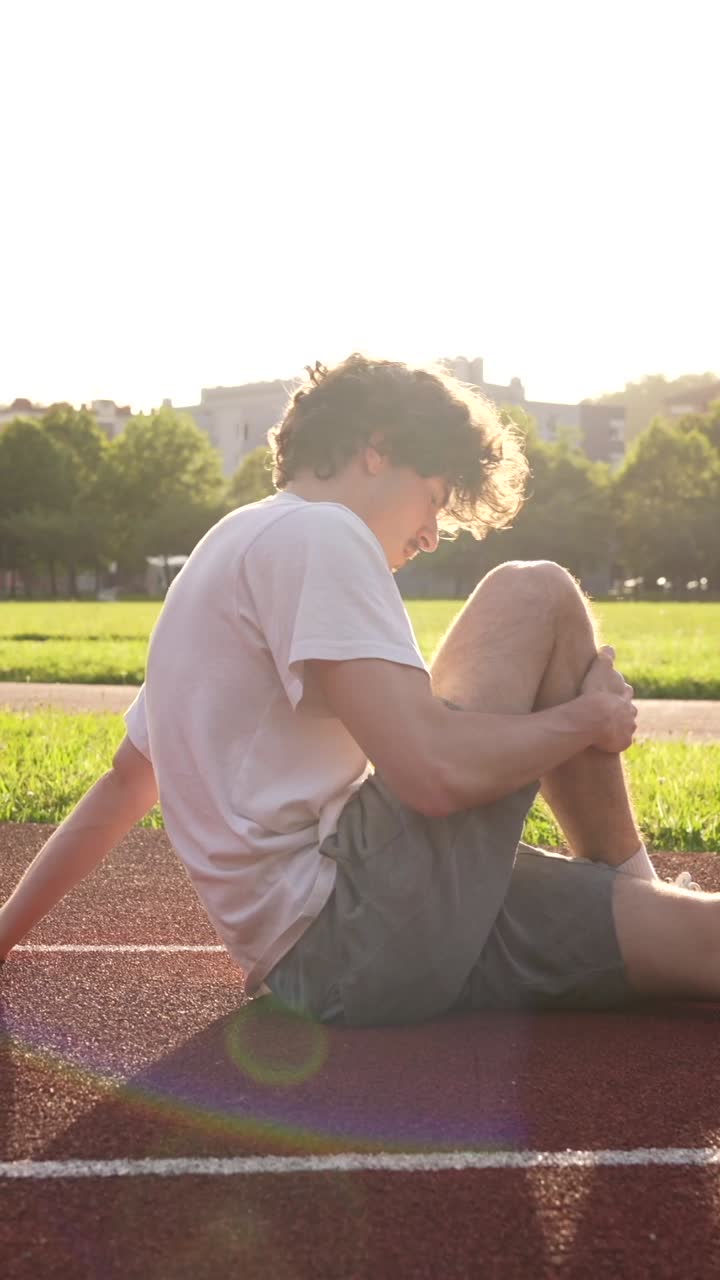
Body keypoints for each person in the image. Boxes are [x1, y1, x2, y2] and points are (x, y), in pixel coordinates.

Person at [0, 355, 713, 1024]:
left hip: (328, 962)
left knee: (695, 938)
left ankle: (633, 890)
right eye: (433, 499)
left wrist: (4, 933)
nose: (433, 535)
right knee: (536, 591)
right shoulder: (320, 533)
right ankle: (631, 877)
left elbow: (125, 784)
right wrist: (588, 719)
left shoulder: (226, 550)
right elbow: (430, 774)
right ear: (378, 447)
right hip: (359, 917)